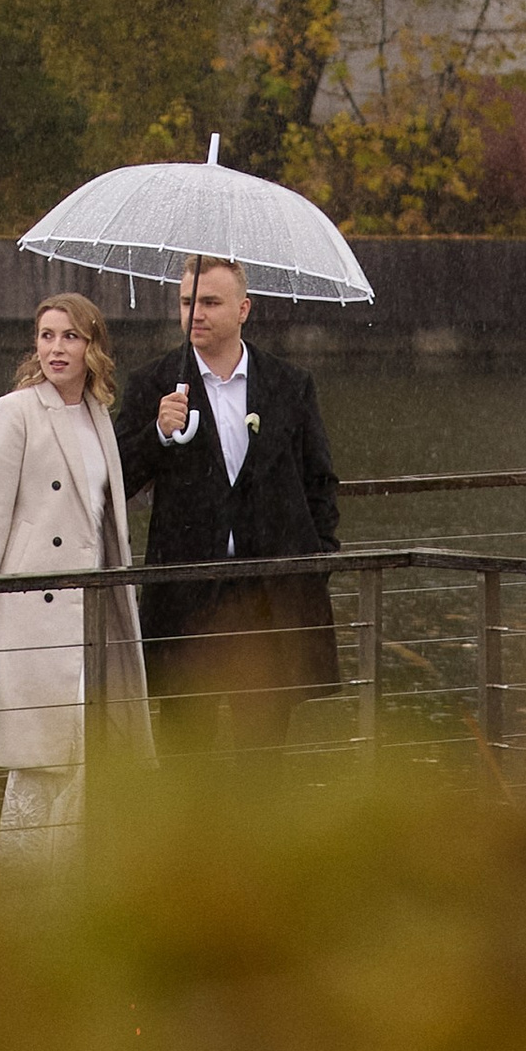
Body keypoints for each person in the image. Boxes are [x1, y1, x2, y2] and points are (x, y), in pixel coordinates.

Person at [0, 292, 151, 865]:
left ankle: (76, 883)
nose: (56, 349)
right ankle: (27, 890)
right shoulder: (15, 412)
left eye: (70, 337)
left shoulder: (98, 416)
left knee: (91, 752)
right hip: (37, 617)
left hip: (96, 616)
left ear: (93, 347)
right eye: (46, 336)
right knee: (43, 763)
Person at [118, 255, 342, 751]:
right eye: (186, 302)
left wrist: (317, 561)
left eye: (210, 302)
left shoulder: (289, 384)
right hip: (186, 595)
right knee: (185, 752)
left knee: (263, 753)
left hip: (269, 596)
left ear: (244, 309)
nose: (194, 313)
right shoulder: (154, 384)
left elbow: (319, 480)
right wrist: (158, 432)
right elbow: (117, 479)